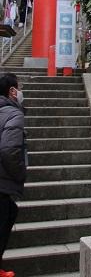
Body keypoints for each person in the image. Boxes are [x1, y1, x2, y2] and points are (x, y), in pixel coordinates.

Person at [0, 73, 27, 277]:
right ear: (12, 91)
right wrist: (20, 174)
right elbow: (9, 150)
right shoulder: (13, 114)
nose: (20, 92)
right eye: (19, 88)